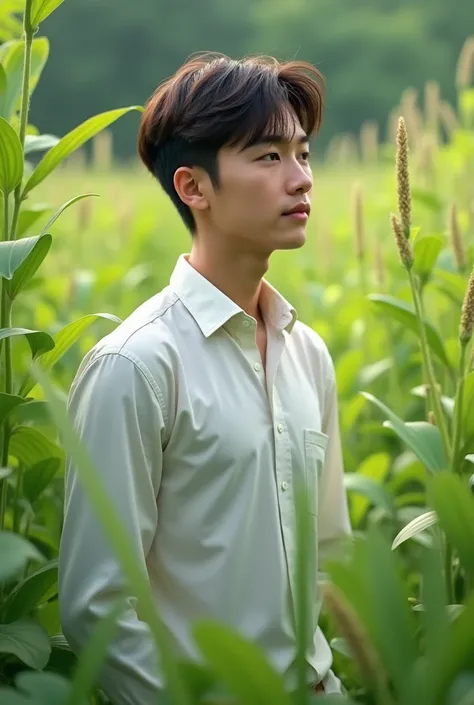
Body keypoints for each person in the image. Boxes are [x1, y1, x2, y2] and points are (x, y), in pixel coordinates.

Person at [58, 52, 352, 704]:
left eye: (303, 154)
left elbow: (332, 550)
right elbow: (96, 606)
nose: (301, 179)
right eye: (269, 157)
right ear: (194, 187)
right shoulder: (135, 365)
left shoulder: (309, 355)